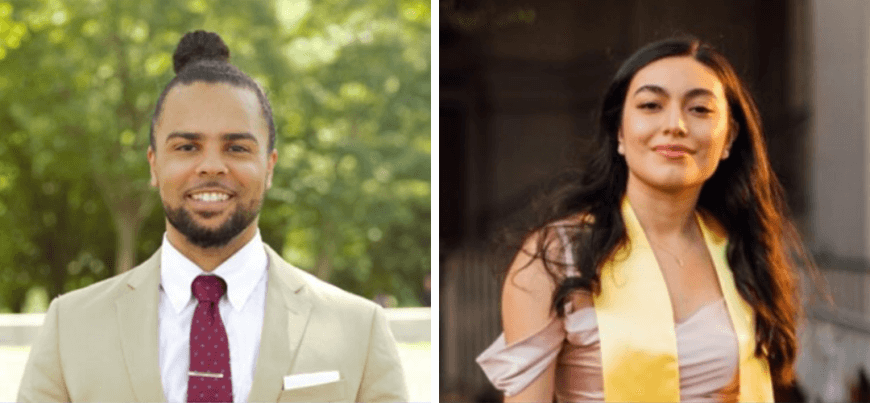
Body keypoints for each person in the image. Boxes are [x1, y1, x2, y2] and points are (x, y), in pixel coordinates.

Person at [17, 30, 408, 403]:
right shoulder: (69, 328)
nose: (211, 166)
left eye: (237, 148)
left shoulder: (362, 329)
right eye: (187, 146)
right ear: (153, 165)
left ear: (269, 167)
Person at [476, 37, 810, 402]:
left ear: (728, 138)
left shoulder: (744, 251)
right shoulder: (556, 256)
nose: (675, 125)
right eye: (651, 105)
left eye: (700, 109)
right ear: (619, 132)